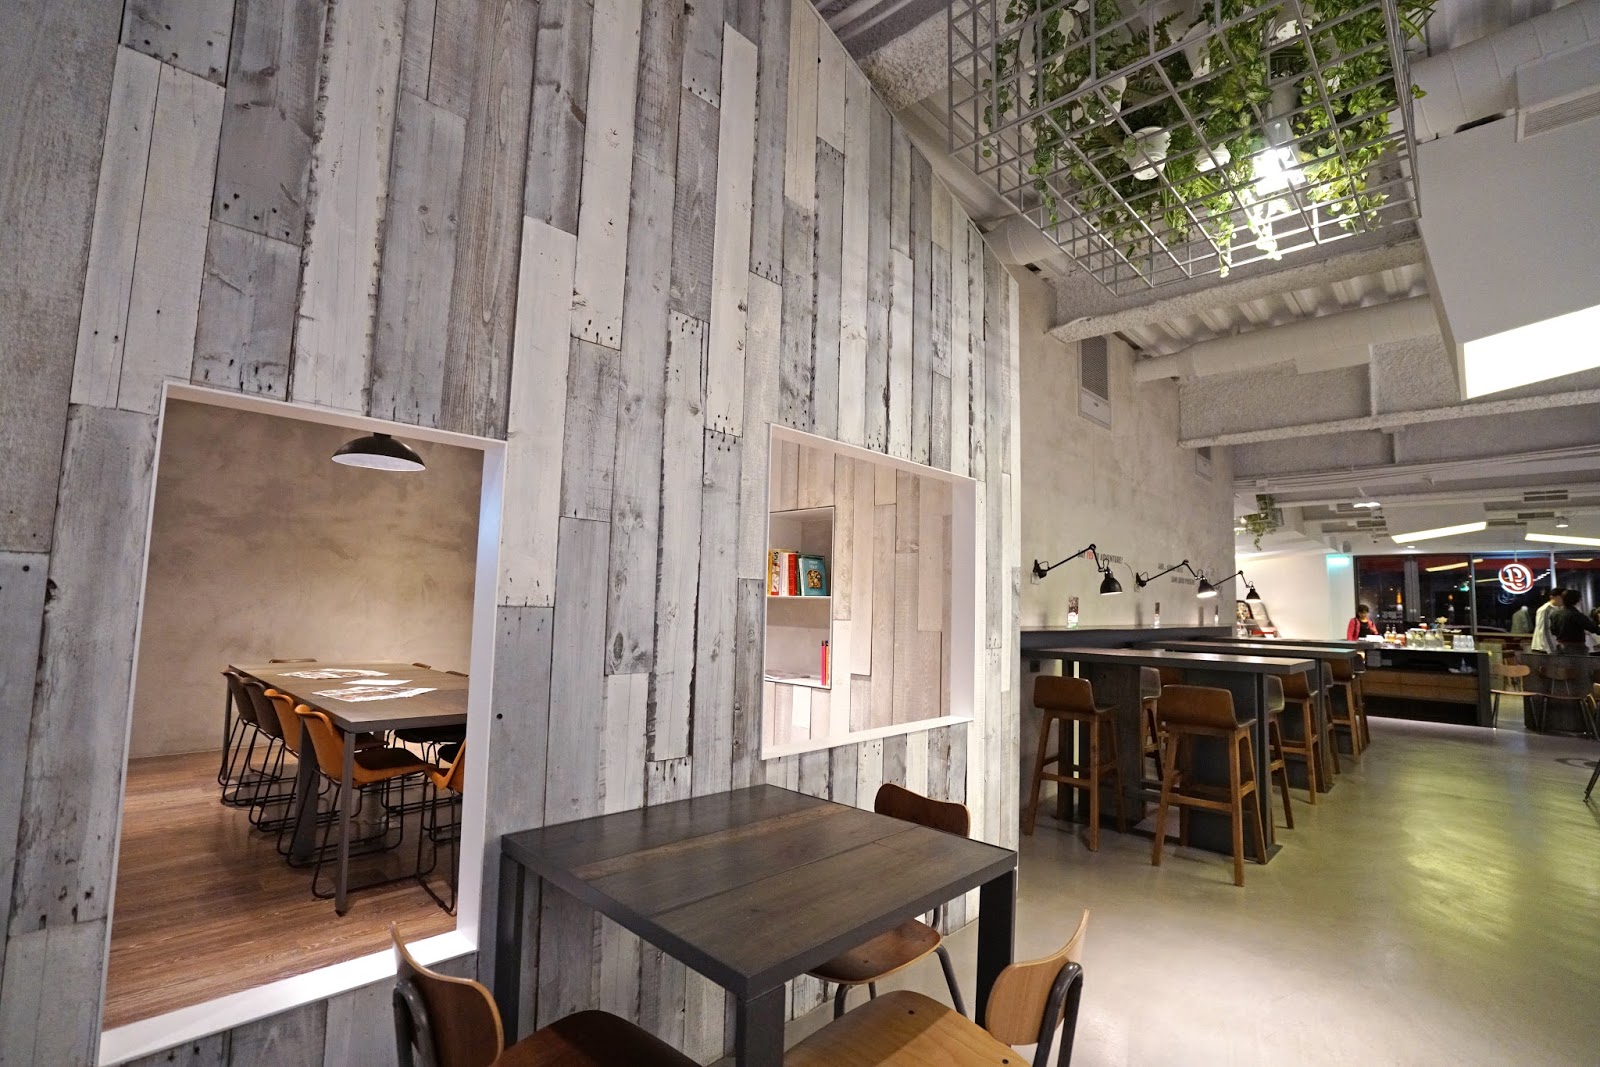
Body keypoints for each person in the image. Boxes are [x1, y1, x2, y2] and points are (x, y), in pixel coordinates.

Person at [1531, 587, 1564, 653]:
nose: (1563, 600)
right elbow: (1545, 630)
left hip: (1550, 646)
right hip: (1544, 648)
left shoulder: (1557, 609)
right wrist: (1551, 649)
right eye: (1562, 598)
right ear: (1555, 597)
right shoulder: (1546, 610)